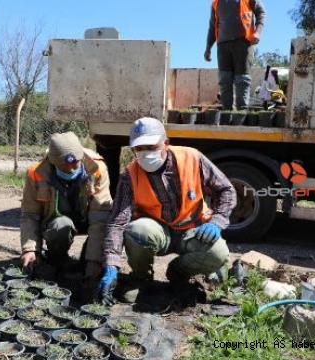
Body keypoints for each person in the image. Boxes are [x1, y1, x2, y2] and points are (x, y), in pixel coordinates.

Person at [98, 117, 237, 304]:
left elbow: (226, 189)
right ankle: (141, 278)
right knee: (136, 231)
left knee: (218, 254)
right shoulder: (129, 175)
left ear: (166, 143)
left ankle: (178, 273)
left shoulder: (192, 158)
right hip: (158, 232)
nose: (145, 154)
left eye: (151, 147)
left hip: (193, 229)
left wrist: (217, 221)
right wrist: (111, 266)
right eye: (139, 148)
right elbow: (117, 221)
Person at [19, 132, 113, 281]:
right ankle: (58, 260)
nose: (70, 169)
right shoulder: (36, 173)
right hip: (57, 222)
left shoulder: (97, 168)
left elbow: (100, 216)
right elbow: (30, 214)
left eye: (74, 163)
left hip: (87, 219)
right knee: (60, 227)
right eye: (63, 165)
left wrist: (94, 259)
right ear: (53, 161)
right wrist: (30, 249)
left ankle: (87, 258)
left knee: (104, 228)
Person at [204, 0, 266, 111]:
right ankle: (227, 112)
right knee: (224, 79)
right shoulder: (216, 3)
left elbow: (261, 13)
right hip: (223, 45)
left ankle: (241, 113)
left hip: (243, 43)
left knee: (242, 79)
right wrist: (208, 48)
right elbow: (212, 27)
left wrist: (258, 32)